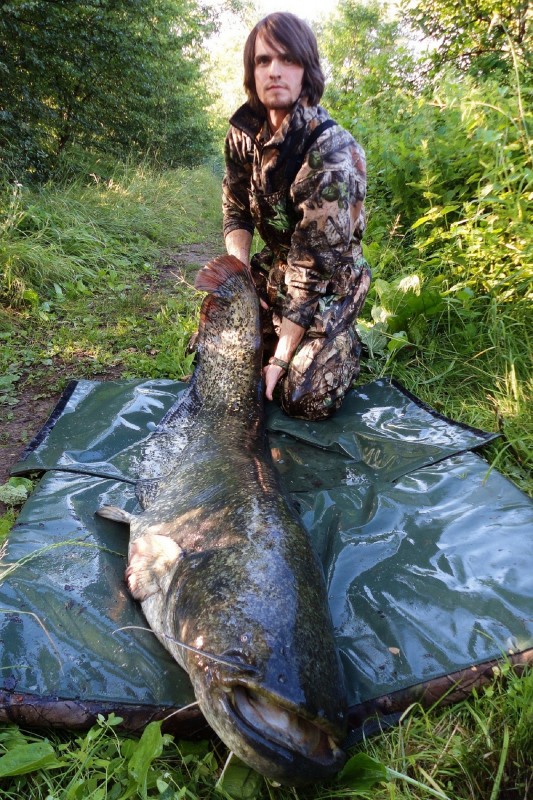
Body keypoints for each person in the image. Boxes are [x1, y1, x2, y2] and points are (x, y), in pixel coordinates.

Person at [223, 12, 371, 420]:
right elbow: (236, 208)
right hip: (277, 268)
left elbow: (311, 270)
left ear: (307, 71)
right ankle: (282, 331)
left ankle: (343, 342)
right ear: (252, 72)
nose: (274, 70)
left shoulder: (331, 153)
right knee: (222, 359)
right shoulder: (242, 135)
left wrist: (281, 358)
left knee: (301, 396)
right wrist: (239, 277)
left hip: (330, 280)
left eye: (288, 59)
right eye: (263, 60)